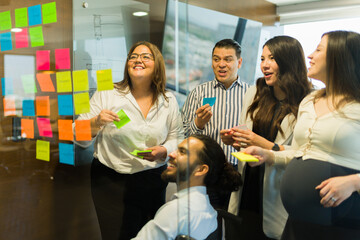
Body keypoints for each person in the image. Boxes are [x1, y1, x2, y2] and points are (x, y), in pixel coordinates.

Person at [244, 30, 360, 239]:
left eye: (318, 49)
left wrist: (354, 182)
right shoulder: (310, 100)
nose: (310, 55)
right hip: (297, 222)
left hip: (342, 222)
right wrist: (268, 155)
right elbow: (300, 152)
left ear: (339, 57)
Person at [75, 41, 184, 240]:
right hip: (110, 181)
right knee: (116, 235)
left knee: (150, 236)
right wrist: (96, 122)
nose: (138, 60)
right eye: (133, 56)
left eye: (145, 56)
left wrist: (164, 150)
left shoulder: (168, 99)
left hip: (152, 181)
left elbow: (177, 137)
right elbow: (77, 133)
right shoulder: (107, 92)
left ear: (157, 64)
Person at [220, 36, 312, 239]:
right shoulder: (255, 92)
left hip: (278, 195)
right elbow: (247, 142)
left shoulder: (308, 101)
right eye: (262, 59)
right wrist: (236, 141)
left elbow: (304, 156)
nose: (264, 65)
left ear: (289, 61)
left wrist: (262, 144)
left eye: (272, 58)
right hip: (246, 191)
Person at [132, 134, 242, 240]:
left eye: (182, 152)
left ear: (201, 170)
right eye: (177, 149)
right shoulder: (211, 213)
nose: (171, 154)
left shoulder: (177, 211)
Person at [181, 39, 249, 209]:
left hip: (240, 168)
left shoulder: (251, 94)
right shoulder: (198, 92)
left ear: (239, 62)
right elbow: (183, 135)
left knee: (235, 220)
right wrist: (199, 123)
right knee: (207, 218)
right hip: (207, 169)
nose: (221, 64)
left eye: (228, 59)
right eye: (216, 59)